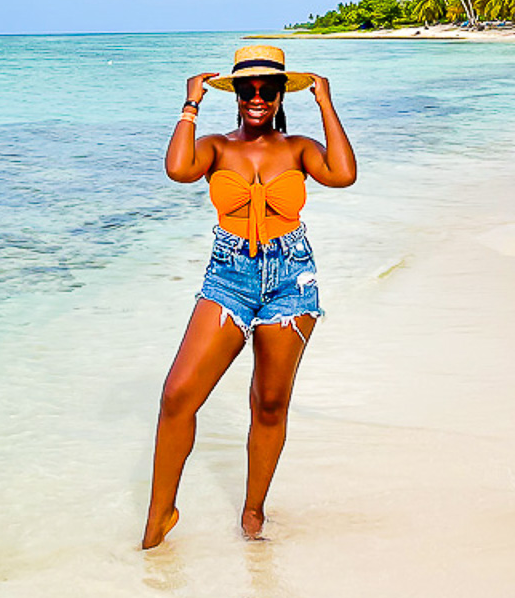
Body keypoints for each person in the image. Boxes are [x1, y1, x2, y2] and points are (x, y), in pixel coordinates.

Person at [141, 45, 357, 549]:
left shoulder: (299, 148)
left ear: (281, 95)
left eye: (267, 89)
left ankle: (253, 513)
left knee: (270, 402)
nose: (257, 98)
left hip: (291, 281)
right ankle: (159, 518)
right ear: (236, 95)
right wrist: (190, 103)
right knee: (177, 395)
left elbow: (343, 174)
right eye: (247, 89)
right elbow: (178, 169)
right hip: (228, 278)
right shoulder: (216, 147)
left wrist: (325, 102)